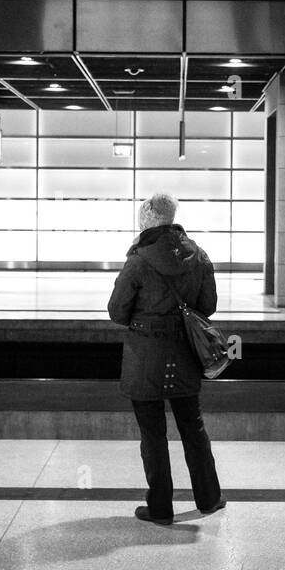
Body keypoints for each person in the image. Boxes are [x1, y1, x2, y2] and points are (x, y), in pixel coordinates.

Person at [107, 192, 226, 526]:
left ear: (147, 219)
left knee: (153, 435)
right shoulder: (199, 255)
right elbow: (209, 305)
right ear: (173, 219)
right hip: (185, 354)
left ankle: (160, 508)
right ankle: (209, 497)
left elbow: (117, 312)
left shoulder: (139, 260)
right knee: (194, 427)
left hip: (145, 357)